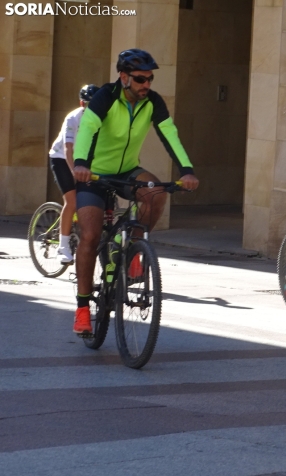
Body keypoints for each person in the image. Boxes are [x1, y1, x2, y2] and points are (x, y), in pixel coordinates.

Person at [71, 48, 199, 335]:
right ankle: (81, 309)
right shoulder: (106, 96)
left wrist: (186, 170)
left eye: (150, 79)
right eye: (141, 79)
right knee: (90, 235)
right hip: (93, 173)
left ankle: (132, 248)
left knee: (155, 192)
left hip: (127, 169)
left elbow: (169, 134)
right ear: (124, 77)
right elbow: (88, 129)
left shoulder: (152, 102)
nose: (147, 85)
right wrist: (80, 164)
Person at [48, 84, 100, 264]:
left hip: (85, 160)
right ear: (81, 103)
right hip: (62, 158)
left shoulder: (102, 119)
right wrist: (74, 172)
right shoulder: (73, 118)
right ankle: (62, 247)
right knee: (72, 200)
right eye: (88, 104)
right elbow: (68, 149)